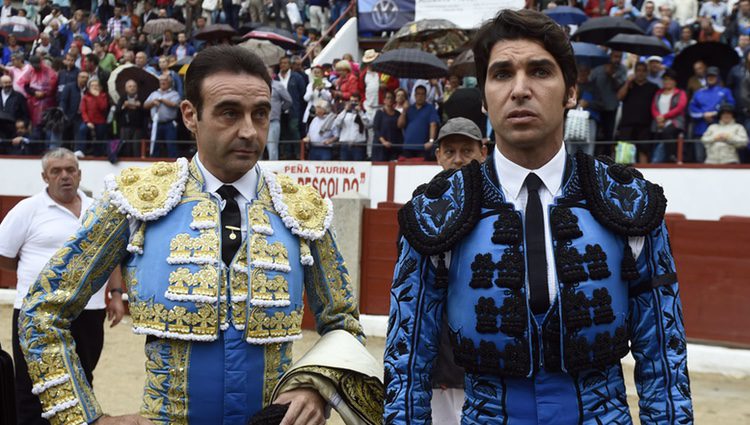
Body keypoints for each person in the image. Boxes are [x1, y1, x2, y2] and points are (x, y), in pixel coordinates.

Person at [19, 45, 382, 425]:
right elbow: (43, 310)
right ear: (190, 115)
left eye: (260, 114)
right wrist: (86, 419)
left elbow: (342, 323)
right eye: (229, 113)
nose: (248, 130)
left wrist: (315, 386)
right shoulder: (135, 200)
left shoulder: (300, 207)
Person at [383, 9, 693, 424]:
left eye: (540, 71)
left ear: (570, 92)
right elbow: (406, 366)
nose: (520, 89)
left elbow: (665, 362)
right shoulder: (436, 210)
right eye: (502, 74)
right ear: (484, 97)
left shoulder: (628, 200)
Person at [0, 148, 125, 425]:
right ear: (45, 177)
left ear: (79, 174)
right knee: (32, 384)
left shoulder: (98, 210)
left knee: (83, 377)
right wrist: (34, 275)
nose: (64, 176)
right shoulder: (27, 209)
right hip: (35, 313)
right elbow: (4, 256)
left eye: (70, 170)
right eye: (56, 171)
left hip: (88, 310)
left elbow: (112, 256)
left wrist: (115, 294)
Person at [689, 66, 735, 162]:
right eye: (709, 76)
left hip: (720, 131)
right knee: (699, 158)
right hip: (700, 130)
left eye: (713, 76)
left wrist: (715, 114)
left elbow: (731, 107)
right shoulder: (698, 93)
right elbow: (691, 110)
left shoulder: (725, 91)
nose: (711, 78)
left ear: (718, 77)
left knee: (720, 159)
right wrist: (703, 115)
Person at [617, 61, 660, 162]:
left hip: (645, 124)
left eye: (643, 71)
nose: (640, 73)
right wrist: (627, 83)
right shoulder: (628, 85)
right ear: (634, 72)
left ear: (647, 72)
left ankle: (643, 176)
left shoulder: (653, 87)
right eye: (638, 70)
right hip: (627, 124)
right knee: (624, 151)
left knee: (644, 151)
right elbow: (619, 97)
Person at [651, 68, 688, 162]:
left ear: (675, 81)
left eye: (670, 79)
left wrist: (664, 117)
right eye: (665, 79)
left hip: (675, 122)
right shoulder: (658, 93)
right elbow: (654, 107)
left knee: (667, 133)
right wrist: (658, 118)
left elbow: (680, 107)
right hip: (659, 122)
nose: (667, 82)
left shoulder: (680, 93)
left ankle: (672, 156)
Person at [397, 84, 439, 160]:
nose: (420, 96)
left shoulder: (430, 108)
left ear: (426, 96)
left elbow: (433, 124)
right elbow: (400, 125)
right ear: (415, 95)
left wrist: (431, 141)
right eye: (418, 94)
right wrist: (404, 110)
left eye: (422, 94)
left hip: (423, 147)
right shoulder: (409, 108)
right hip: (408, 146)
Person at [144, 74, 181, 157]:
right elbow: (145, 105)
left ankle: (174, 165)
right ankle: (153, 164)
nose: (162, 82)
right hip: (156, 124)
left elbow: (174, 104)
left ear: (170, 82)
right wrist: (152, 102)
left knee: (171, 146)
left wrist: (161, 99)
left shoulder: (174, 94)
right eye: (161, 80)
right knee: (155, 145)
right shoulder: (154, 93)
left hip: (169, 124)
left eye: (165, 80)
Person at [78, 78, 110, 157]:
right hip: (88, 121)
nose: (95, 87)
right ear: (89, 87)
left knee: (100, 134)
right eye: (92, 85)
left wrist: (98, 97)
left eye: (96, 85)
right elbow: (83, 110)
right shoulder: (85, 97)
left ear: (100, 87)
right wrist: (87, 121)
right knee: (82, 129)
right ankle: (81, 150)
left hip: (100, 121)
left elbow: (103, 107)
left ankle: (98, 153)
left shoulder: (103, 95)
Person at [116, 79, 147, 158]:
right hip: (125, 127)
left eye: (134, 86)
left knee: (136, 148)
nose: (132, 88)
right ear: (126, 88)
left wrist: (138, 106)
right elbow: (117, 112)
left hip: (138, 127)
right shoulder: (122, 98)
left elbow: (146, 112)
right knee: (126, 147)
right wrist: (124, 106)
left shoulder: (141, 98)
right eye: (130, 86)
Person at [334, 91, 369, 160]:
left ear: (359, 102)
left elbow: (368, 125)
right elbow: (337, 124)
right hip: (345, 145)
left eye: (355, 101)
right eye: (351, 101)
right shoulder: (345, 113)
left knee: (358, 168)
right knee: (345, 169)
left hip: (358, 145)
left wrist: (360, 112)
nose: (353, 103)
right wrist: (345, 110)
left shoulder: (364, 113)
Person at [268, 67, 293, 161]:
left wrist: (280, 110)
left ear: (273, 74)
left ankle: (271, 170)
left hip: (273, 120)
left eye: (268, 72)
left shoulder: (278, 85)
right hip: (259, 121)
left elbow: (289, 101)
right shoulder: (258, 86)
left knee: (272, 147)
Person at [372, 90, 403, 161]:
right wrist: (384, 142)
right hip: (381, 147)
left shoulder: (398, 114)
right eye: (388, 98)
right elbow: (376, 129)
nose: (390, 100)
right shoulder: (379, 113)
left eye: (392, 98)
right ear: (384, 100)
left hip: (394, 145)